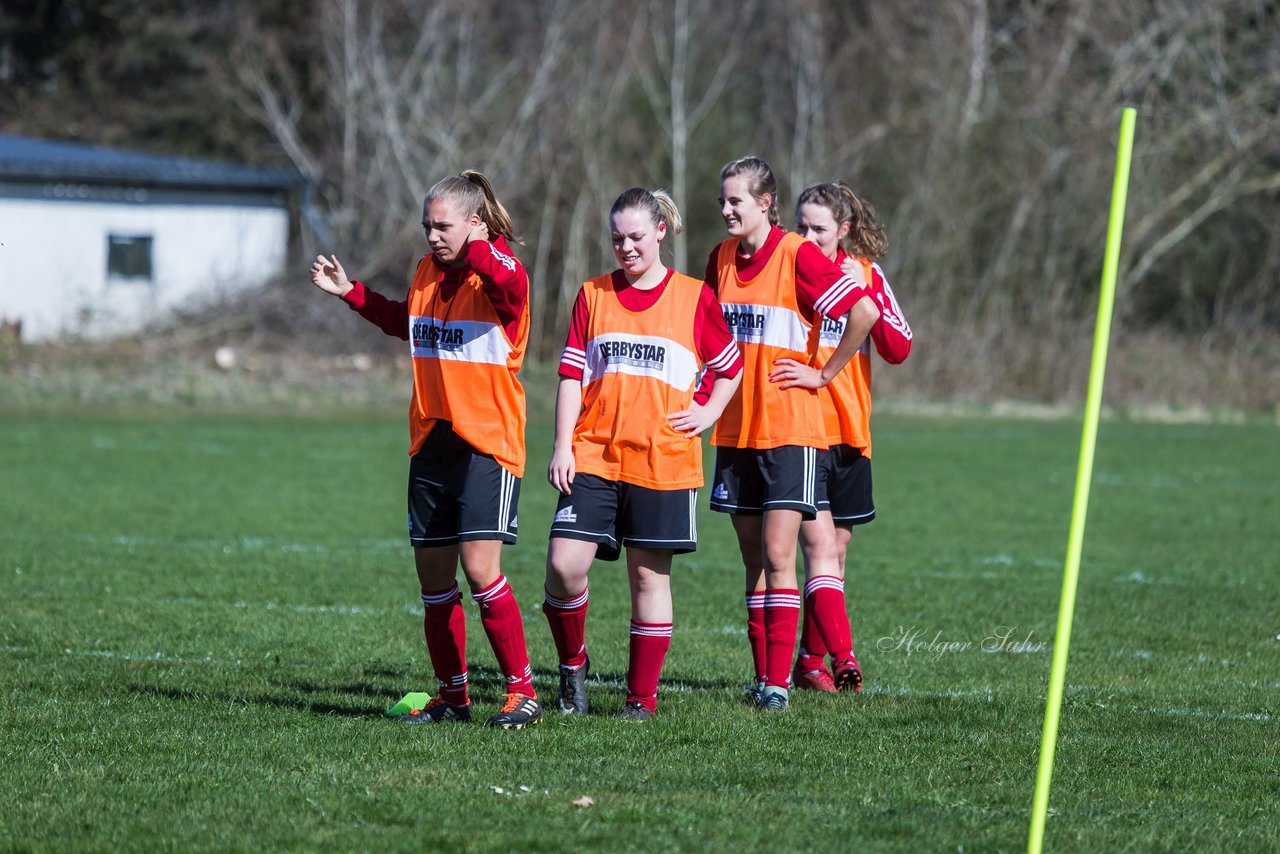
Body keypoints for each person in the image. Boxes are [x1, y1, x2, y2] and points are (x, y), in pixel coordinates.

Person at [309, 171, 543, 729]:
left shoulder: (499, 275)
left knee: (481, 570)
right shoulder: (425, 271)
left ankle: (522, 693)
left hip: (486, 443)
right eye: (427, 226)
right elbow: (408, 324)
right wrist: (353, 295)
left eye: (444, 226)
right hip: (432, 440)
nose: (433, 236)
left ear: (475, 224)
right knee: (435, 583)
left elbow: (510, 281)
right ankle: (453, 697)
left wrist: (482, 247)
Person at [543, 187, 743, 721]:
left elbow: (731, 365)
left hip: (664, 460)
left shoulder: (693, 297)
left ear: (661, 231)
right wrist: (562, 445)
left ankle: (641, 700)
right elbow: (569, 376)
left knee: (649, 579)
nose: (626, 248)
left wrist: (707, 414)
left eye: (635, 236)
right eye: (616, 238)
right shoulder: (592, 295)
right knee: (564, 566)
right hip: (594, 455)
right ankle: (572, 670)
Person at [705, 156, 881, 712]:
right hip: (736, 432)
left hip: (790, 429)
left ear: (765, 203)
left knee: (782, 555)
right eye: (723, 200)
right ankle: (765, 678)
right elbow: (710, 340)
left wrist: (825, 372)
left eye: (736, 200)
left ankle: (779, 686)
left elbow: (865, 312)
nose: (727, 209)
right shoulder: (720, 259)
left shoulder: (797, 254)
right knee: (753, 559)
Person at [789, 181, 913, 694]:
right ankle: (843, 660)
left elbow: (898, 348)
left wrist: (864, 298)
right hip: (801, 429)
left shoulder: (864, 274)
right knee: (818, 546)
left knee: (836, 552)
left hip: (850, 431)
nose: (807, 237)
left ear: (843, 230)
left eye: (819, 229)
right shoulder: (787, 270)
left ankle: (810, 660)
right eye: (801, 227)